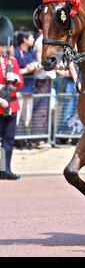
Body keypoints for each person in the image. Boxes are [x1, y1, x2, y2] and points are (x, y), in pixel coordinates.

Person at [0, 17, 24, 179]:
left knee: (8, 141)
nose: (4, 47)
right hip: (0, 103)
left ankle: (5, 169)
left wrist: (15, 78)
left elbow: (20, 83)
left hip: (11, 106)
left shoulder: (13, 61)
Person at [14, 30, 40, 136]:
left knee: (28, 115)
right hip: (18, 89)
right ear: (24, 39)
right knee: (17, 115)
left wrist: (36, 68)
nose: (33, 39)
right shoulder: (15, 52)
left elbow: (36, 70)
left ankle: (24, 139)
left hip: (29, 88)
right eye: (31, 37)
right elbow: (11, 72)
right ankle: (14, 138)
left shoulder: (32, 52)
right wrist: (27, 70)